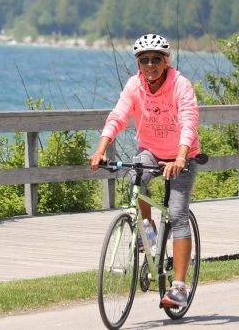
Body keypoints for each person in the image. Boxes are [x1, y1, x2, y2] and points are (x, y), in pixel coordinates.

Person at [89, 33, 201, 309]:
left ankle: (179, 288)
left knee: (177, 214)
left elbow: (189, 122)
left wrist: (180, 157)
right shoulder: (134, 86)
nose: (150, 64)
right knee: (134, 178)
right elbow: (118, 116)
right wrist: (101, 148)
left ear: (166, 61)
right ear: (138, 63)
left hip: (182, 155)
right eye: (144, 60)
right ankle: (148, 234)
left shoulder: (181, 86)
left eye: (155, 59)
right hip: (150, 150)